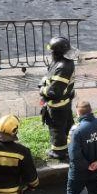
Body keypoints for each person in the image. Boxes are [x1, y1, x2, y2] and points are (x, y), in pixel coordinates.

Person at [39, 35, 75, 164]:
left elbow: (54, 92)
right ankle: (72, 145)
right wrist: (43, 82)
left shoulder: (63, 67)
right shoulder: (61, 62)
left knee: (56, 127)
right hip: (64, 102)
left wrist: (42, 90)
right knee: (66, 125)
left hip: (57, 105)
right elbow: (49, 75)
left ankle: (58, 152)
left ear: (56, 52)